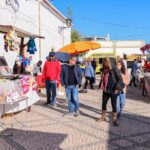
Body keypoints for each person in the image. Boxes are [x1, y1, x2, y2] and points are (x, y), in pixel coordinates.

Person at [96, 57, 125, 126]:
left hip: (113, 90)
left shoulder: (115, 70)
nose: (104, 63)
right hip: (106, 90)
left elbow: (120, 80)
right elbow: (102, 76)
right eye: (104, 61)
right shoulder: (105, 69)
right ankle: (103, 117)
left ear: (110, 63)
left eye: (106, 62)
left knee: (114, 105)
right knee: (103, 104)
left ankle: (114, 120)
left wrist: (117, 88)